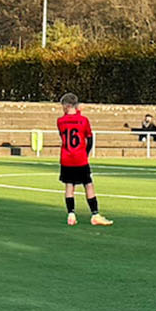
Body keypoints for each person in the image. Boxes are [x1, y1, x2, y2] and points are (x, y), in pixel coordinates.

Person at [56, 94, 113, 227]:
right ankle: (95, 214)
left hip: (66, 158)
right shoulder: (84, 120)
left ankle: (71, 214)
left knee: (69, 186)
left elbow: (65, 130)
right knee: (88, 185)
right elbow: (89, 138)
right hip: (80, 158)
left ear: (67, 105)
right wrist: (85, 153)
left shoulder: (60, 121)